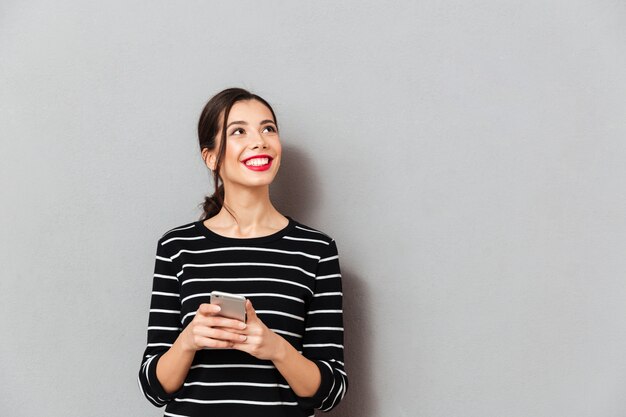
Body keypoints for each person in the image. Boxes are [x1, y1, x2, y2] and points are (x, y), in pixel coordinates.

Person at [138, 87, 347, 417]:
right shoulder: (176, 248)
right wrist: (189, 339)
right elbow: (153, 388)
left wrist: (275, 347)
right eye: (239, 131)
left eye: (268, 129)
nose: (260, 140)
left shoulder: (316, 250)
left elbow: (331, 392)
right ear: (210, 157)